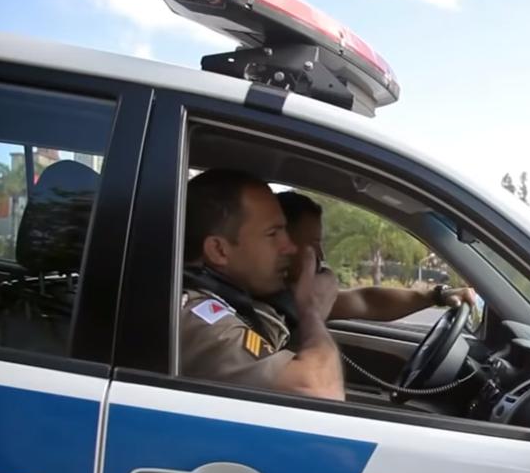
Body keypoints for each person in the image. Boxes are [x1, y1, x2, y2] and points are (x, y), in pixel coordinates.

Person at [179, 169, 344, 401]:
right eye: (272, 234)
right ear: (219, 250)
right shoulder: (200, 318)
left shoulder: (246, 300)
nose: (290, 247)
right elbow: (321, 391)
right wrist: (311, 312)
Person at [276, 191, 476, 321]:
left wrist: (436, 295)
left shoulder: (294, 296)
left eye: (319, 244)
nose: (321, 255)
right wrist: (313, 319)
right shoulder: (257, 312)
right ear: (281, 244)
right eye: (312, 244)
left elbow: (367, 302)